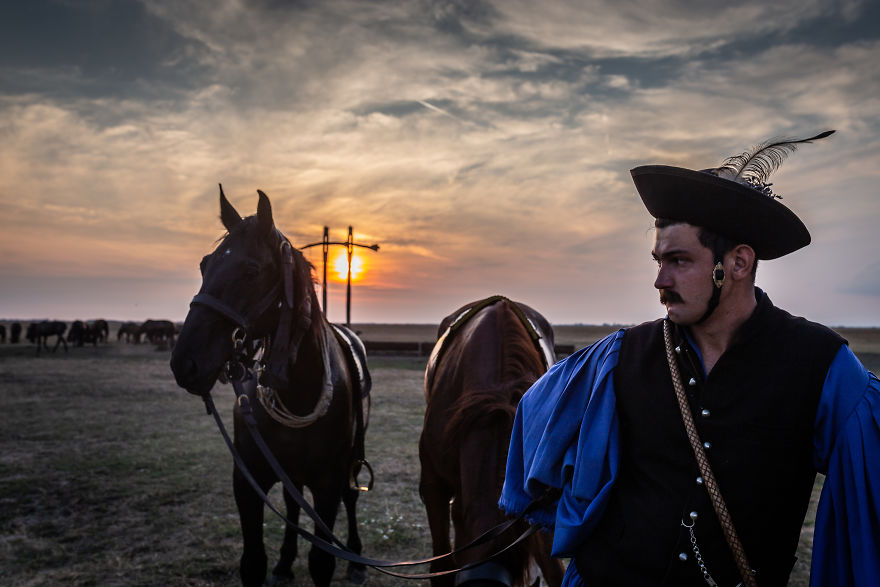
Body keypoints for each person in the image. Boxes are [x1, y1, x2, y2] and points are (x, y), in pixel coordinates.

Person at [499, 132, 879, 586]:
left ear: (738, 263)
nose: (660, 280)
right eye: (658, 260)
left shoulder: (822, 367)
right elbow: (535, 428)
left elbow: (868, 498)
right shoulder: (619, 357)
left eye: (679, 260)